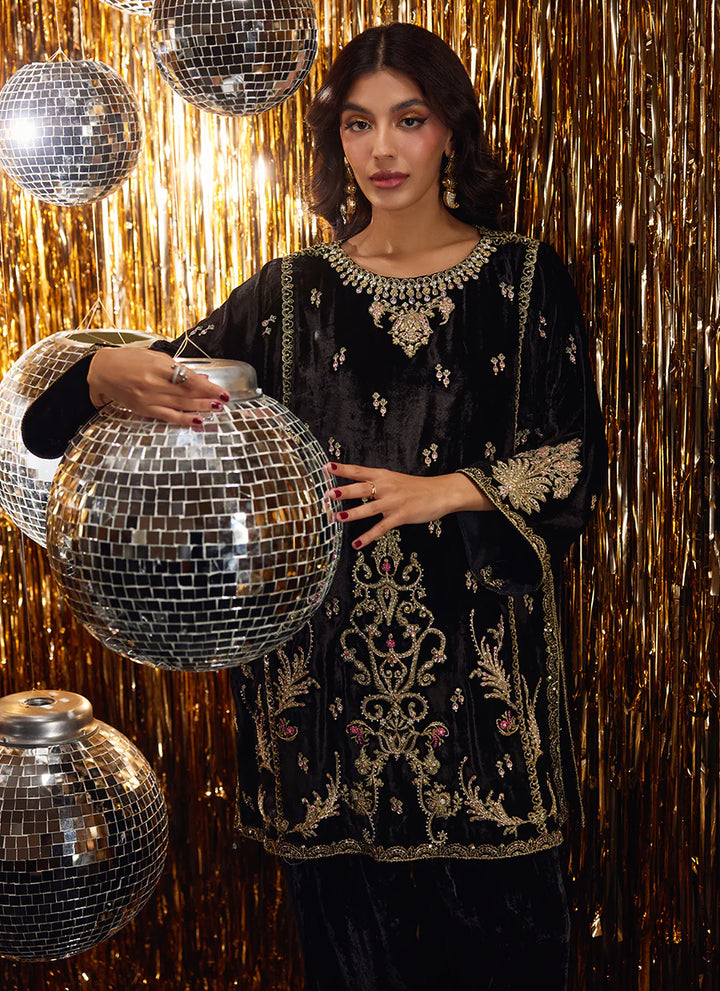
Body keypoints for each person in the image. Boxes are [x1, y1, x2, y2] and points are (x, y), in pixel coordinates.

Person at [23, 23, 606, 991]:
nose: (382, 149)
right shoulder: (289, 294)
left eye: (409, 120)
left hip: (482, 700)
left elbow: (572, 460)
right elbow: (51, 430)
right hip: (321, 705)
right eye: (357, 124)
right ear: (337, 140)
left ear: (450, 130)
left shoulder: (526, 279)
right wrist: (97, 372)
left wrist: (443, 490)